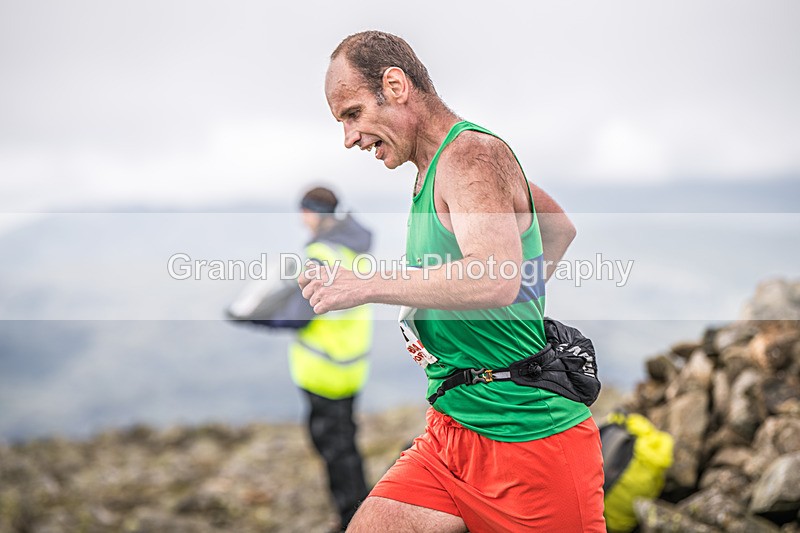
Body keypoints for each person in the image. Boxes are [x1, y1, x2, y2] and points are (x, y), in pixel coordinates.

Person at [299, 31, 605, 532]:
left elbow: (493, 276)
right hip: (453, 429)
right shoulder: (432, 168)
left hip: (527, 439)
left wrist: (366, 285)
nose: (349, 138)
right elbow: (554, 227)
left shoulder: (470, 157)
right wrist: (508, 312)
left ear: (395, 85)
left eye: (352, 114)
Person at [251, 186, 372, 531]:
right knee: (345, 444)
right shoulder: (356, 250)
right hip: (351, 366)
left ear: (311, 213)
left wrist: (255, 316)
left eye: (303, 212)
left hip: (323, 370)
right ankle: (359, 511)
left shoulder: (321, 254)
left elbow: (300, 314)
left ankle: (353, 519)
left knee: (335, 451)